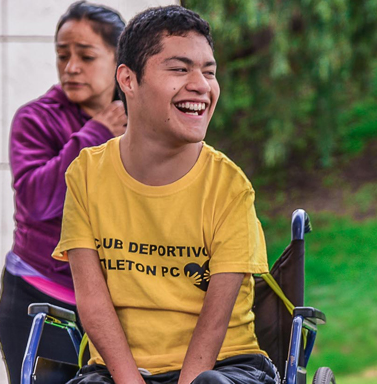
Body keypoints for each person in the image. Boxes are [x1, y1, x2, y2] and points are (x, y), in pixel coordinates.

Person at [53, 5, 278, 384]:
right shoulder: (87, 175)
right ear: (128, 79)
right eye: (179, 69)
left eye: (209, 71)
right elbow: (92, 303)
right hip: (118, 370)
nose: (201, 85)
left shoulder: (229, 187)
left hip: (222, 366)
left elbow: (216, 317)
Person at [0, 2, 125, 382]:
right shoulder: (35, 119)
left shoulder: (140, 121)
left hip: (116, 307)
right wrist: (95, 135)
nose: (70, 67)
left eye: (85, 56)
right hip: (40, 302)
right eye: (62, 55)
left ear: (121, 60)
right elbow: (36, 200)